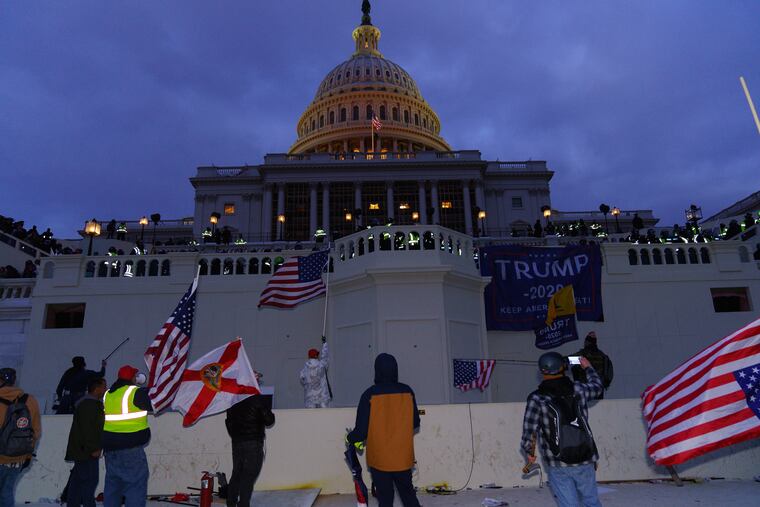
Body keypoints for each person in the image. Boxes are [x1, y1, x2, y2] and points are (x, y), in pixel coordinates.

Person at [521, 352, 603, 507]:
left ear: (542, 371)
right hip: (585, 456)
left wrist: (529, 453)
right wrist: (588, 367)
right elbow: (598, 387)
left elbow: (529, 430)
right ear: (563, 367)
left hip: (556, 460)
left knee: (568, 504)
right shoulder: (579, 389)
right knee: (591, 501)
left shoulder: (537, 398)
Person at [347, 353, 421, 507]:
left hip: (380, 459)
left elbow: (361, 432)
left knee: (385, 499)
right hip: (402, 457)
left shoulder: (369, 394)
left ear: (377, 370)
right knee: (409, 497)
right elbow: (415, 422)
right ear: (395, 369)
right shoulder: (408, 391)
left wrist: (350, 437)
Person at [103, 365, 152, 507]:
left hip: (111, 451)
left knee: (113, 490)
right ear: (132, 378)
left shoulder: (108, 394)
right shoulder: (134, 392)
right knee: (135, 490)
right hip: (131, 452)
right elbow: (154, 403)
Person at [224, 385, 275, 507]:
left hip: (237, 442)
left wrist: (236, 436)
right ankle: (243, 504)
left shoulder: (234, 400)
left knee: (237, 473)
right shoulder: (256, 399)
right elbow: (269, 421)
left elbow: (228, 422)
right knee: (249, 475)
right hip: (253, 442)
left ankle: (231, 503)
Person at [0, 367, 42, 507]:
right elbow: (36, 431)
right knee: (6, 492)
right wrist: (27, 455)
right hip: (18, 458)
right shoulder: (30, 400)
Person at [65, 377, 107, 507]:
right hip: (86, 451)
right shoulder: (90, 405)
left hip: (81, 449)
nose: (105, 389)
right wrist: (94, 448)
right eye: (104, 386)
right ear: (96, 388)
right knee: (90, 481)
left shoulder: (86, 404)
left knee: (78, 482)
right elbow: (88, 429)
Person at [571, 332, 614, 399]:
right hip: (598, 387)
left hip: (585, 387)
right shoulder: (603, 356)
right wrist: (605, 384)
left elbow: (568, 361)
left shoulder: (582, 355)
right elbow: (609, 373)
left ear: (587, 342)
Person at [299, 338, 330, 408]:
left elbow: (301, 379)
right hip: (322, 397)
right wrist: (325, 344)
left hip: (310, 398)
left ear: (309, 356)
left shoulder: (305, 368)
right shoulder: (321, 365)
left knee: (310, 417)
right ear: (316, 356)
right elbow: (325, 357)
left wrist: (307, 386)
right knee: (324, 416)